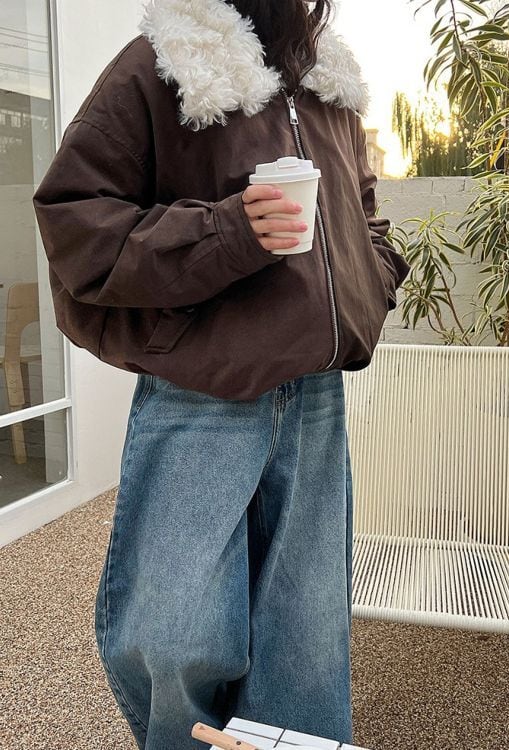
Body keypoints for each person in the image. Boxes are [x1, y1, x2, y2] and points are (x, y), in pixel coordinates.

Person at [32, 1, 411, 748]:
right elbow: (76, 221)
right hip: (199, 393)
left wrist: (376, 273)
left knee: (304, 637)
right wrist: (228, 230)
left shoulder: (327, 81)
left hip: (314, 397)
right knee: (173, 632)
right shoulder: (164, 60)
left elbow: (364, 211)